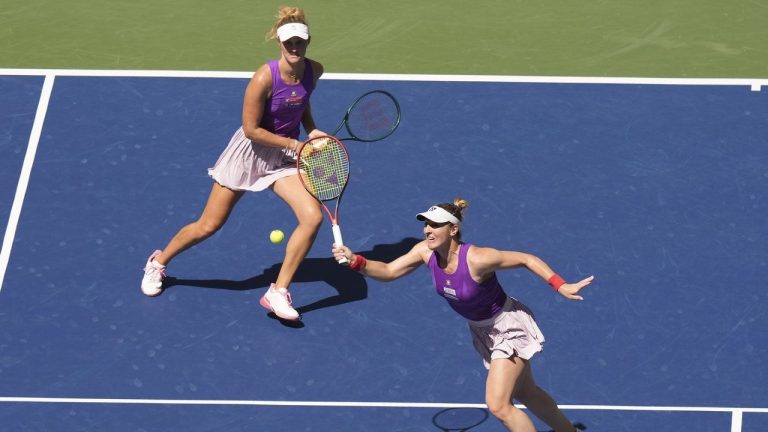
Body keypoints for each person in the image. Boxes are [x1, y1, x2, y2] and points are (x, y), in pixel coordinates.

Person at [332, 198, 593, 432]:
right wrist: (357, 261)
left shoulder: (478, 259)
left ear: (453, 229)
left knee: (499, 405)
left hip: (508, 327)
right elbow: (389, 271)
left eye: (435, 225)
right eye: (425, 225)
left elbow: (526, 259)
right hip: (482, 331)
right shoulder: (425, 251)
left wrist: (560, 284)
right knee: (526, 392)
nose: (427, 230)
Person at [141, 6, 326, 321]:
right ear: (280, 43)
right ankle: (158, 262)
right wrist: (296, 144)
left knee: (312, 218)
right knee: (209, 225)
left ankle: (278, 292)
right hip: (251, 153)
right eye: (289, 43)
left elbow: (301, 102)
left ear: (308, 43)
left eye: (300, 43)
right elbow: (252, 129)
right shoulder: (264, 77)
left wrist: (312, 129)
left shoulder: (314, 70)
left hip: (282, 158)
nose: (295, 48)